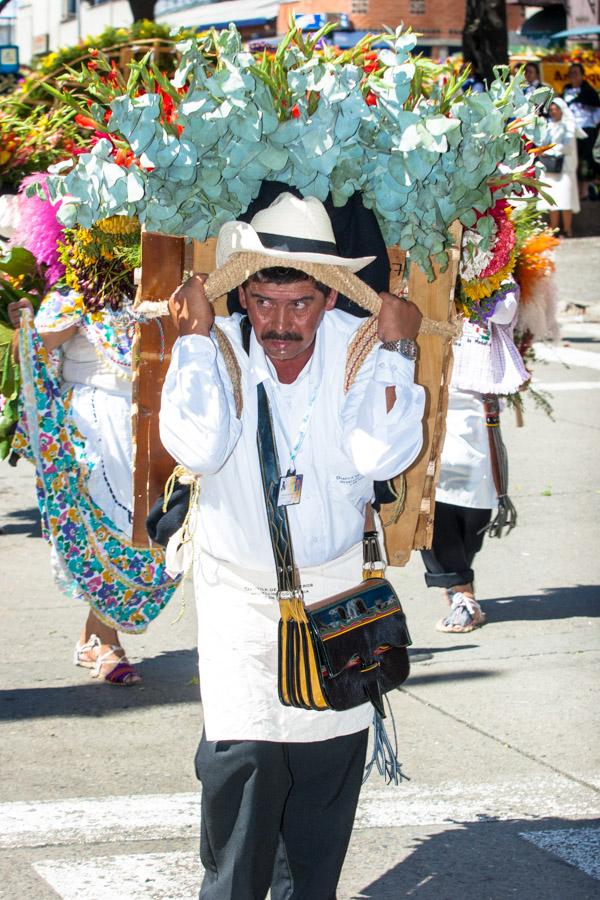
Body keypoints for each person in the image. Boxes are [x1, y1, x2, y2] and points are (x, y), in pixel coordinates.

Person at [159, 192, 425, 899]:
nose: (280, 323)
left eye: (299, 304)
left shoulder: (361, 347)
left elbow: (379, 451)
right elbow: (197, 445)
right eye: (264, 301)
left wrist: (400, 350)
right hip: (240, 600)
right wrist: (190, 338)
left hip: (336, 594)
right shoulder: (215, 344)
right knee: (240, 776)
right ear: (243, 291)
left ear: (329, 296)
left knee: (322, 786)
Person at [8, 228, 180, 685]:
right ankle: (104, 640)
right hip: (95, 435)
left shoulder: (162, 288)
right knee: (113, 531)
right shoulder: (74, 296)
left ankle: (94, 635)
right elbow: (33, 352)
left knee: (159, 536)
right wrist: (25, 324)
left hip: (155, 429)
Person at [421, 280, 527, 633]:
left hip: (475, 411)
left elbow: (505, 309)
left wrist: (475, 280)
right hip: (426, 400)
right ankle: (459, 589)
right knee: (432, 503)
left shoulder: (498, 276)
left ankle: (460, 584)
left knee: (472, 504)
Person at [538, 98, 582, 238]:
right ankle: (554, 229)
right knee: (553, 200)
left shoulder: (569, 126)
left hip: (565, 169)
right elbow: (542, 143)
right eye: (550, 110)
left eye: (555, 109)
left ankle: (567, 229)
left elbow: (567, 147)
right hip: (551, 168)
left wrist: (549, 151)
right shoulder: (549, 126)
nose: (552, 112)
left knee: (566, 200)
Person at [561, 63, 600, 200]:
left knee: (587, 159)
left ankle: (585, 191)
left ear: (582, 75)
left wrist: (591, 125)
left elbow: (597, 109)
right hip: (570, 130)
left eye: (576, 73)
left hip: (586, 129)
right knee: (572, 160)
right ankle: (574, 191)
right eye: (571, 73)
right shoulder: (566, 90)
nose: (573, 75)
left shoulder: (589, 91)